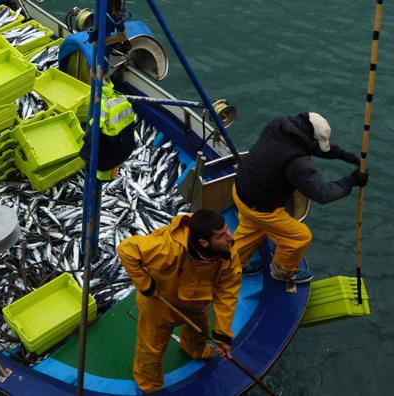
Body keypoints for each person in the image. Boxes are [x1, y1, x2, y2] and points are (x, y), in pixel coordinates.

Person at [233, 112, 369, 284]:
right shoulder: (296, 162)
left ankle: (233, 263)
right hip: (261, 207)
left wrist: (342, 154)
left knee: (251, 229)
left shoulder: (279, 125)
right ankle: (282, 271)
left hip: (241, 188)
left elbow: (309, 146)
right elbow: (322, 193)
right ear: (311, 140)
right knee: (300, 237)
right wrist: (351, 181)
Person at [117, 209, 241, 393]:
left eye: (227, 230)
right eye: (221, 236)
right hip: (159, 306)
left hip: (197, 304)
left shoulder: (227, 252)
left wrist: (222, 335)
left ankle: (195, 350)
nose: (230, 238)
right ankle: (148, 384)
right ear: (203, 242)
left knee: (199, 333)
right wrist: (146, 285)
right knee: (151, 350)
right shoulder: (168, 248)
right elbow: (127, 249)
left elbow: (227, 292)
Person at [79, 79, 136, 181]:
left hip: (107, 158)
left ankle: (101, 179)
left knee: (93, 152)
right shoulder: (122, 99)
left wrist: (84, 154)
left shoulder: (101, 105)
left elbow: (92, 134)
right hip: (125, 150)